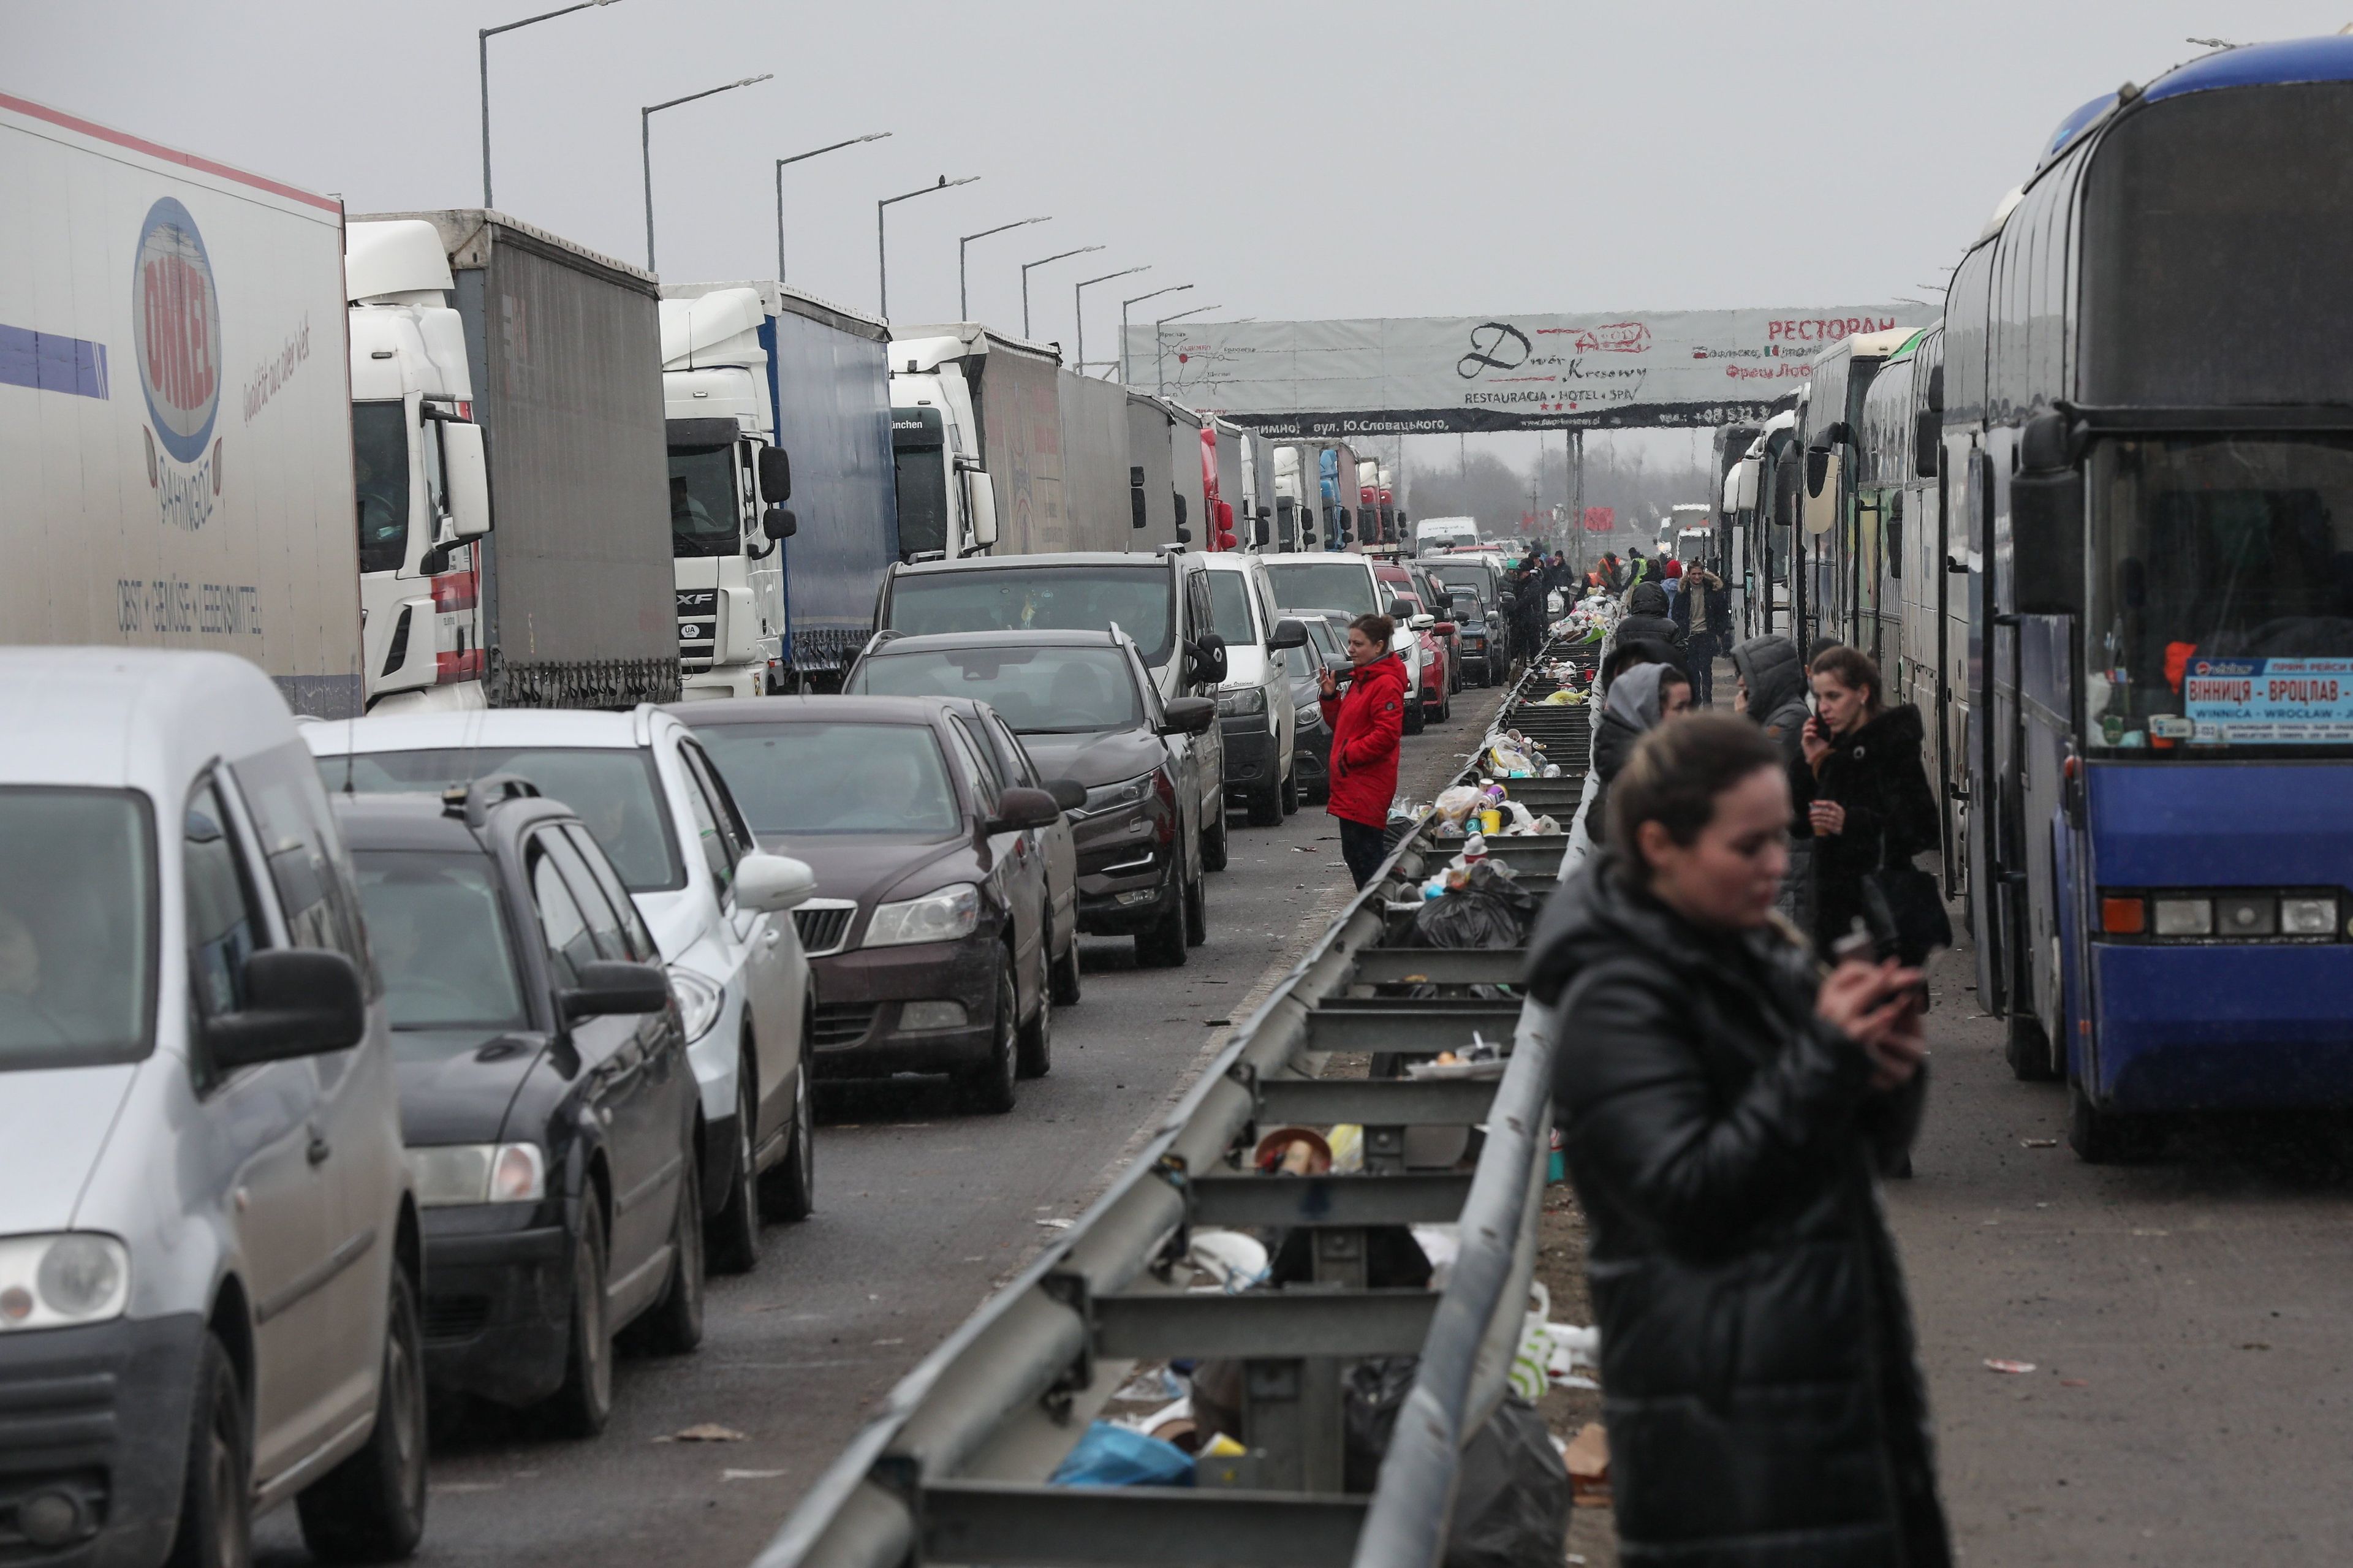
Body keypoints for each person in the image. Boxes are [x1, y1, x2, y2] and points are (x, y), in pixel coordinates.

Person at [1526, 714, 1949, 1568]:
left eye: (1780, 837)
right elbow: (1687, 1195)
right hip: (1725, 1432)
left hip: (1823, 1404)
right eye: (1747, 844)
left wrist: (1882, 1077)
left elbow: (1841, 1154)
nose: (1774, 863)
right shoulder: (1615, 996)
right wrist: (1828, 1057)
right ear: (1660, 844)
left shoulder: (1758, 952)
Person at [1790, 645, 1941, 955]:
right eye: (1819, 698)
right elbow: (1800, 825)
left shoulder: (1891, 747)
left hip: (1879, 915)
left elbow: (1921, 831)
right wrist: (1810, 764)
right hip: (1834, 915)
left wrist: (1852, 822)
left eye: (1833, 696)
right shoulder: (1834, 745)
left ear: (1862, 693)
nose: (1824, 708)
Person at [1317, 613, 1408, 888]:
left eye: (1358, 644)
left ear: (1378, 646)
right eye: (1350, 643)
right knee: (1358, 856)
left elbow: (1387, 735)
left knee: (1365, 857)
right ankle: (1384, 912)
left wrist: (1349, 756)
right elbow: (1347, 728)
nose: (1351, 650)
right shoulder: (1363, 679)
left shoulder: (1384, 683)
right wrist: (1331, 697)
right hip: (1353, 786)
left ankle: (1387, 913)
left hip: (1367, 786)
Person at [1586, 660, 1690, 836]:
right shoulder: (1634, 764)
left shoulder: (1672, 749)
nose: (1688, 716)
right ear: (1651, 708)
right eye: (1680, 707)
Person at [1729, 633, 1811, 764]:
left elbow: (1753, 765)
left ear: (1766, 678)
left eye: (1747, 675)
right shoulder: (1774, 712)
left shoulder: (1792, 718)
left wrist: (1744, 721)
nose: (1740, 682)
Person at [1682, 558, 1727, 706]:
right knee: (1693, 671)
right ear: (1689, 574)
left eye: (1700, 574)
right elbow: (1678, 613)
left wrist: (1718, 632)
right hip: (1690, 637)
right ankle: (1697, 699)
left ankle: (1708, 701)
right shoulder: (1683, 593)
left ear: (1703, 574)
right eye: (1694, 574)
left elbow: (1722, 613)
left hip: (1706, 635)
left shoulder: (1712, 590)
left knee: (1706, 670)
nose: (1697, 577)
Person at [1615, 580, 1684, 658]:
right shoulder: (1670, 627)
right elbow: (1680, 656)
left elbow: (1621, 655)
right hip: (1661, 668)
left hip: (1634, 668)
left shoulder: (1624, 626)